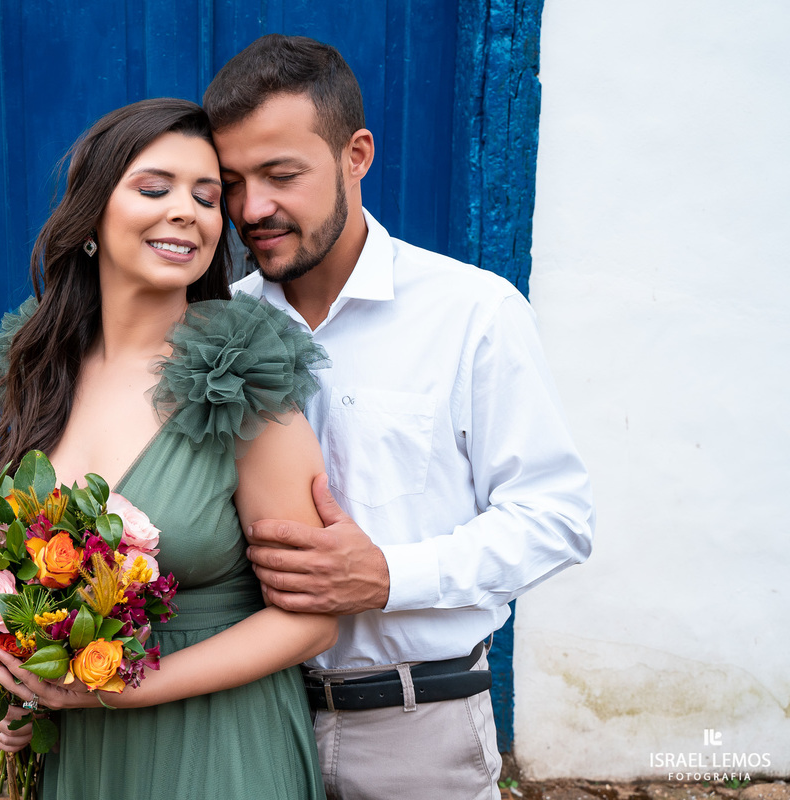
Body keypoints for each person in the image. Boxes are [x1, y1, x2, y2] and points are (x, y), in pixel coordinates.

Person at [202, 35, 595, 800]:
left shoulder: (473, 313)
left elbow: (557, 519)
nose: (252, 209)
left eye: (281, 175)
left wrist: (388, 575)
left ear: (356, 155)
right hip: (248, 729)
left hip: (419, 730)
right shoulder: (214, 331)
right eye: (232, 183)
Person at [0, 97, 337, 799]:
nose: (187, 211)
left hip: (220, 750)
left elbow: (313, 622)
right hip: (83, 755)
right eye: (154, 188)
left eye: (206, 197)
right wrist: (14, 684)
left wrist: (119, 689)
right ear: (91, 217)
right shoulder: (41, 371)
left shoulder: (238, 376)